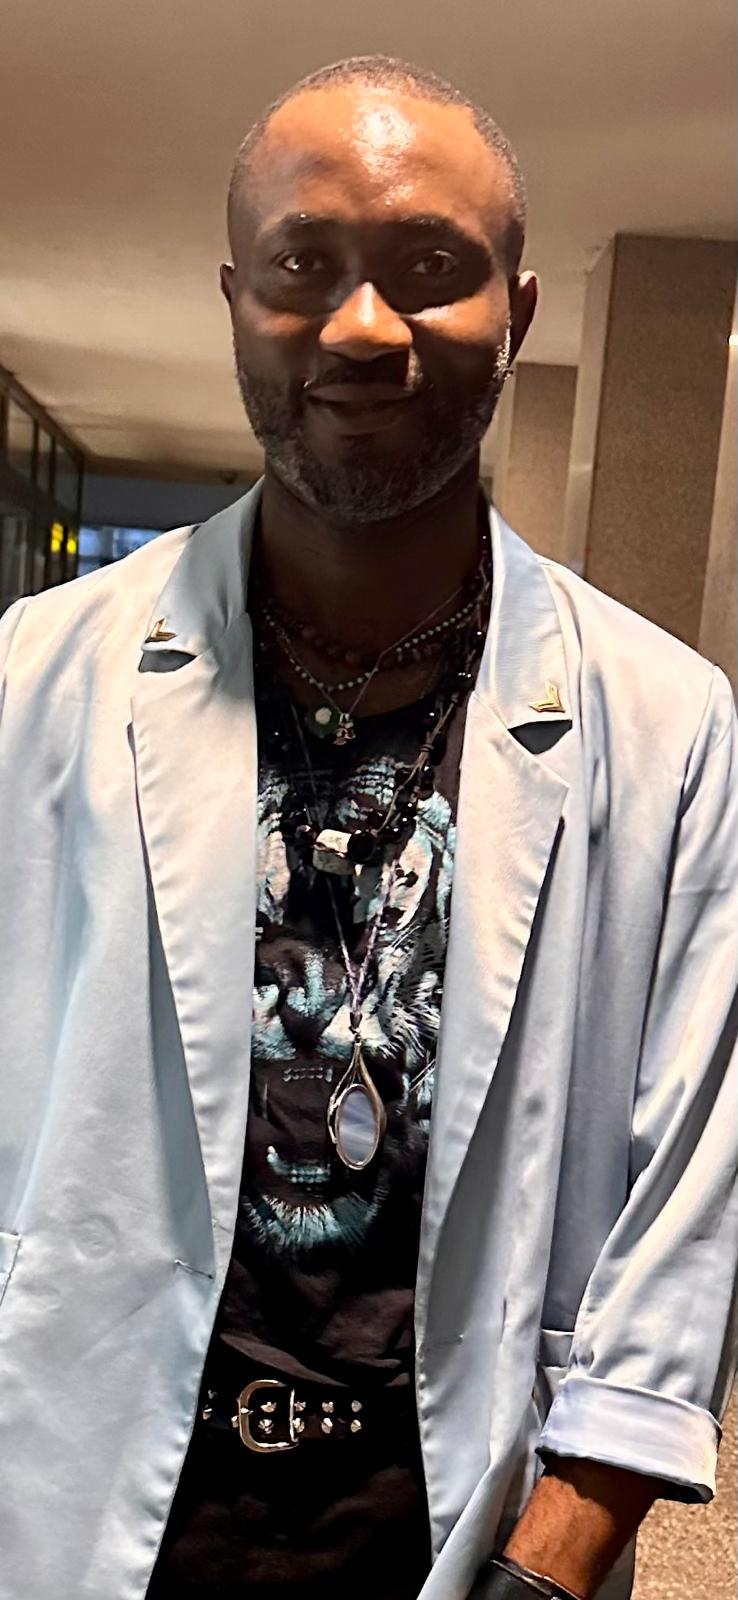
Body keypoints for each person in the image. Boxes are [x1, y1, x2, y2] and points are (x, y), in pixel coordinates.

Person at [0, 52, 735, 1600]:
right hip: (79, 1497)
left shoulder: (665, 721)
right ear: (234, 302)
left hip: (459, 1529)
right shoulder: (33, 680)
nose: (359, 326)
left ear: (513, 312)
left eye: (426, 267)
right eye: (300, 266)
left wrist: (556, 1553)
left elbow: (694, 1181)